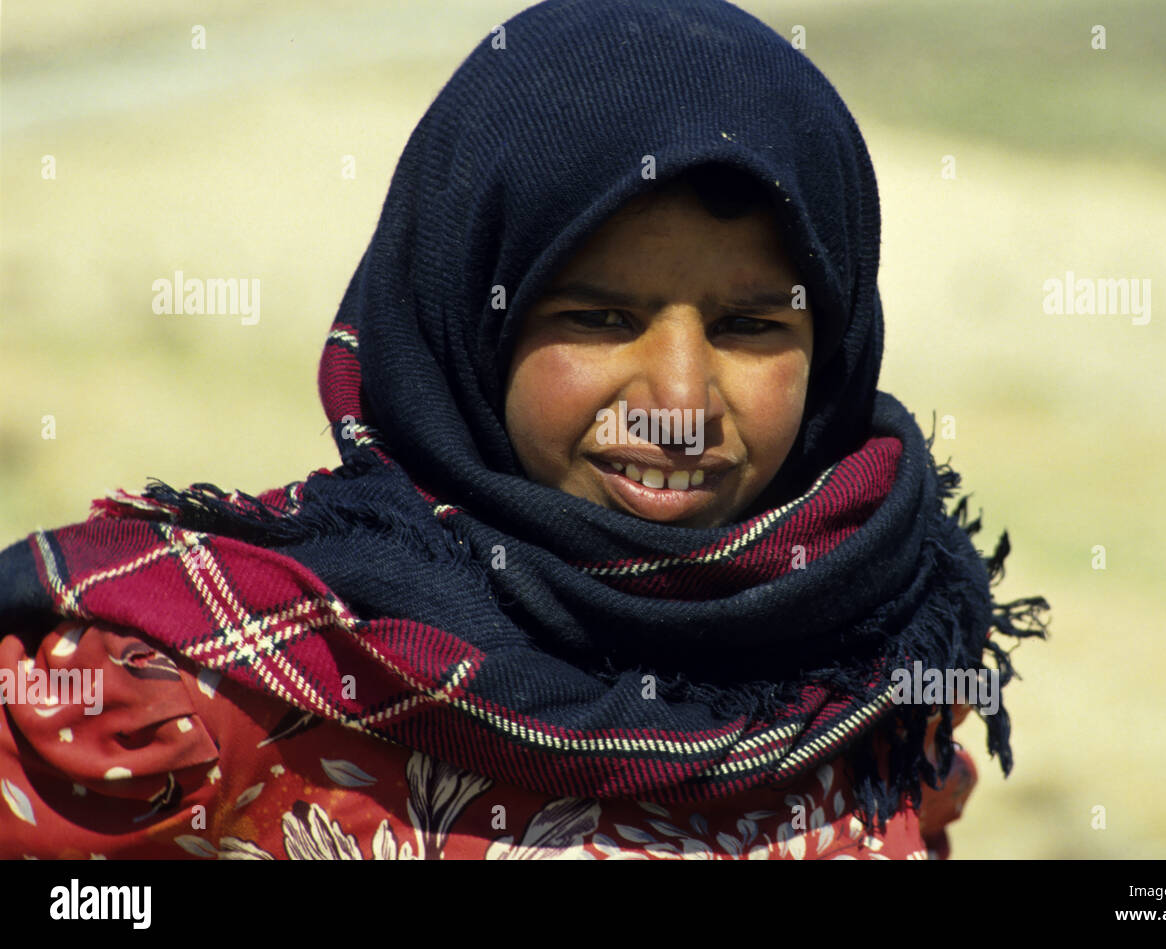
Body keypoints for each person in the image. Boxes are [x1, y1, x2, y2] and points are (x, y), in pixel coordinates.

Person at [0, 0, 1048, 860]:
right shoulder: (214, 686)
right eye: (597, 317)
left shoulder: (874, 650)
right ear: (462, 323)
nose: (678, 402)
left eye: (748, 325)